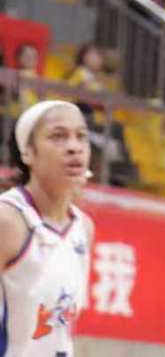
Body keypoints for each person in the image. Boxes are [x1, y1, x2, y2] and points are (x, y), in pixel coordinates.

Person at [0, 100, 95, 354]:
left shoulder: (84, 228)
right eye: (58, 136)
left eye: (81, 137)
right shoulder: (8, 220)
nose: (74, 147)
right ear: (28, 152)